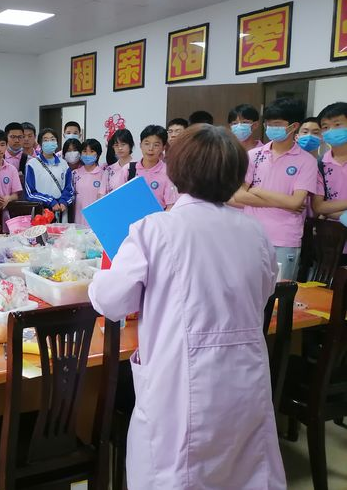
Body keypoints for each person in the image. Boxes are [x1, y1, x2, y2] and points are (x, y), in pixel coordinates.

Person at [88, 124, 285, 490]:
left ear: (176, 170)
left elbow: (112, 302)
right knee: (241, 472)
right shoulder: (254, 231)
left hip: (180, 380)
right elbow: (265, 289)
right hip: (243, 377)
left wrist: (99, 276)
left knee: (176, 473)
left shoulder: (154, 228)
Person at [232, 98, 317, 281]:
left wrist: (256, 190)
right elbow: (239, 195)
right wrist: (284, 202)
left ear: (294, 126)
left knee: (278, 293)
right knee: (246, 289)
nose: (271, 128)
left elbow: (296, 202)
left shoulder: (307, 161)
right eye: (269, 124)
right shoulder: (253, 155)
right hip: (250, 234)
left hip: (284, 239)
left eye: (277, 124)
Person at [24, 128, 74, 222]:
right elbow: (30, 193)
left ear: (57, 143)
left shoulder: (64, 164)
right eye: (46, 140)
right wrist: (50, 201)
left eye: (52, 139)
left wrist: (64, 201)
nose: (49, 142)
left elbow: (69, 189)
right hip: (40, 212)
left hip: (60, 211)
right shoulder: (32, 164)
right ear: (40, 144)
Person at [312, 102, 347, 221]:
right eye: (325, 127)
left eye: (337, 124)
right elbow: (318, 206)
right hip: (332, 229)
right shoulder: (320, 164)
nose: (331, 130)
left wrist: (330, 212)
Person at [130, 125, 178, 210]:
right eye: (147, 144)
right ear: (140, 145)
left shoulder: (168, 172)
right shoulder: (129, 169)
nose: (150, 148)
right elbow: (118, 198)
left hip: (157, 217)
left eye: (156, 145)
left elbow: (170, 207)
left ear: (163, 148)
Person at [72, 138, 104, 226]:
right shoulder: (74, 174)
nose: (87, 154)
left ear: (98, 154)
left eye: (92, 151)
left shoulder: (103, 174)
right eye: (85, 151)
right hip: (77, 221)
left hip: (96, 221)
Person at [104, 129, 134, 194]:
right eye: (116, 145)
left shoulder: (138, 166)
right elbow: (101, 193)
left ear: (130, 145)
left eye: (123, 144)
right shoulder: (109, 170)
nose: (120, 148)